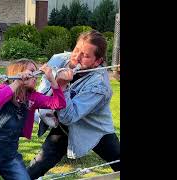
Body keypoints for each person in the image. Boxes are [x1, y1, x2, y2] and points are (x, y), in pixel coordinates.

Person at [27, 30, 120, 179]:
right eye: (77, 50)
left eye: (85, 55)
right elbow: (43, 94)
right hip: (63, 129)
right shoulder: (58, 60)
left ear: (97, 61)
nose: (77, 57)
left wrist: (61, 86)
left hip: (95, 130)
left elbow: (69, 116)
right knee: (36, 166)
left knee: (119, 161)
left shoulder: (100, 86)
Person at [0, 59, 66, 180]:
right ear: (18, 73)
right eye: (32, 71)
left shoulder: (33, 97)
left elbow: (59, 104)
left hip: (10, 152)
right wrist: (17, 82)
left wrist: (52, 80)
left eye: (37, 72)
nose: (36, 76)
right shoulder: (2, 88)